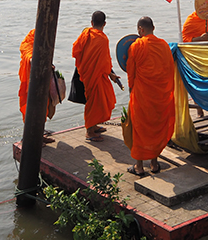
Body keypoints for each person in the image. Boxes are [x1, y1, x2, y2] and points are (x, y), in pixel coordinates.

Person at [126, 16, 175, 176]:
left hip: (142, 95)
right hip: (160, 95)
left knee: (139, 128)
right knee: (155, 127)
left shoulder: (136, 46)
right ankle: (154, 163)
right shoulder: (164, 46)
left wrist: (131, 90)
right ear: (153, 27)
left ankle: (139, 167)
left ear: (140, 29)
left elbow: (131, 74)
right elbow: (169, 71)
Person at [72, 11, 120, 142]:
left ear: (91, 22)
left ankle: (94, 125)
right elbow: (105, 62)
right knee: (94, 103)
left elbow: (75, 51)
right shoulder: (102, 39)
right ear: (105, 24)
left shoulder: (85, 34)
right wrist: (110, 74)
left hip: (88, 74)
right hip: (95, 75)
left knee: (98, 101)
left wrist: (109, 74)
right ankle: (89, 131)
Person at [18, 29, 60, 143]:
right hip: (31, 84)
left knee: (43, 110)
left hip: (43, 81)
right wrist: (36, 61)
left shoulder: (45, 42)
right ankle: (32, 140)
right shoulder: (29, 41)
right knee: (32, 112)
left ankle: (40, 136)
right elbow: (30, 57)